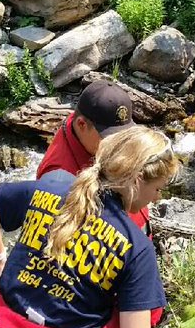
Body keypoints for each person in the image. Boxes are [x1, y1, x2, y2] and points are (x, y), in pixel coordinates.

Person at [0, 127, 179, 328]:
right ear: (137, 180)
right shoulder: (136, 247)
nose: (157, 198)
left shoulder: (45, 190)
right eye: (158, 188)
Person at [37, 80, 146, 232]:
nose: (119, 144)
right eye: (109, 137)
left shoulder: (84, 130)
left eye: (123, 135)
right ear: (81, 125)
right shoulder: (57, 177)